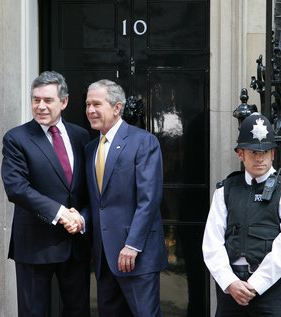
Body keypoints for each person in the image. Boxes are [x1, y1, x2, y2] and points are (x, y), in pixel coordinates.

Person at [1, 71, 90, 317]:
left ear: (64, 102)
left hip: (75, 244)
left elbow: (88, 189)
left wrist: (81, 219)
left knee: (78, 311)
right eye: (35, 99)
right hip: (34, 244)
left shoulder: (80, 136)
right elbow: (17, 188)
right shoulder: (16, 138)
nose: (40, 106)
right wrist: (61, 214)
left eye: (47, 100)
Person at [202, 112, 281, 317]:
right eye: (253, 152)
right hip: (231, 290)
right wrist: (229, 282)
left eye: (265, 152)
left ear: (273, 154)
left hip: (272, 290)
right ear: (240, 154)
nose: (260, 158)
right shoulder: (225, 190)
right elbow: (212, 243)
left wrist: (256, 284)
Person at [84, 79, 169, 317]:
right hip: (104, 258)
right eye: (88, 104)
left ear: (117, 107)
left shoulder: (143, 141)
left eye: (97, 104)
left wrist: (132, 245)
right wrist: (82, 222)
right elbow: (96, 203)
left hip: (136, 256)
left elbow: (149, 198)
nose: (90, 110)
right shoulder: (91, 148)